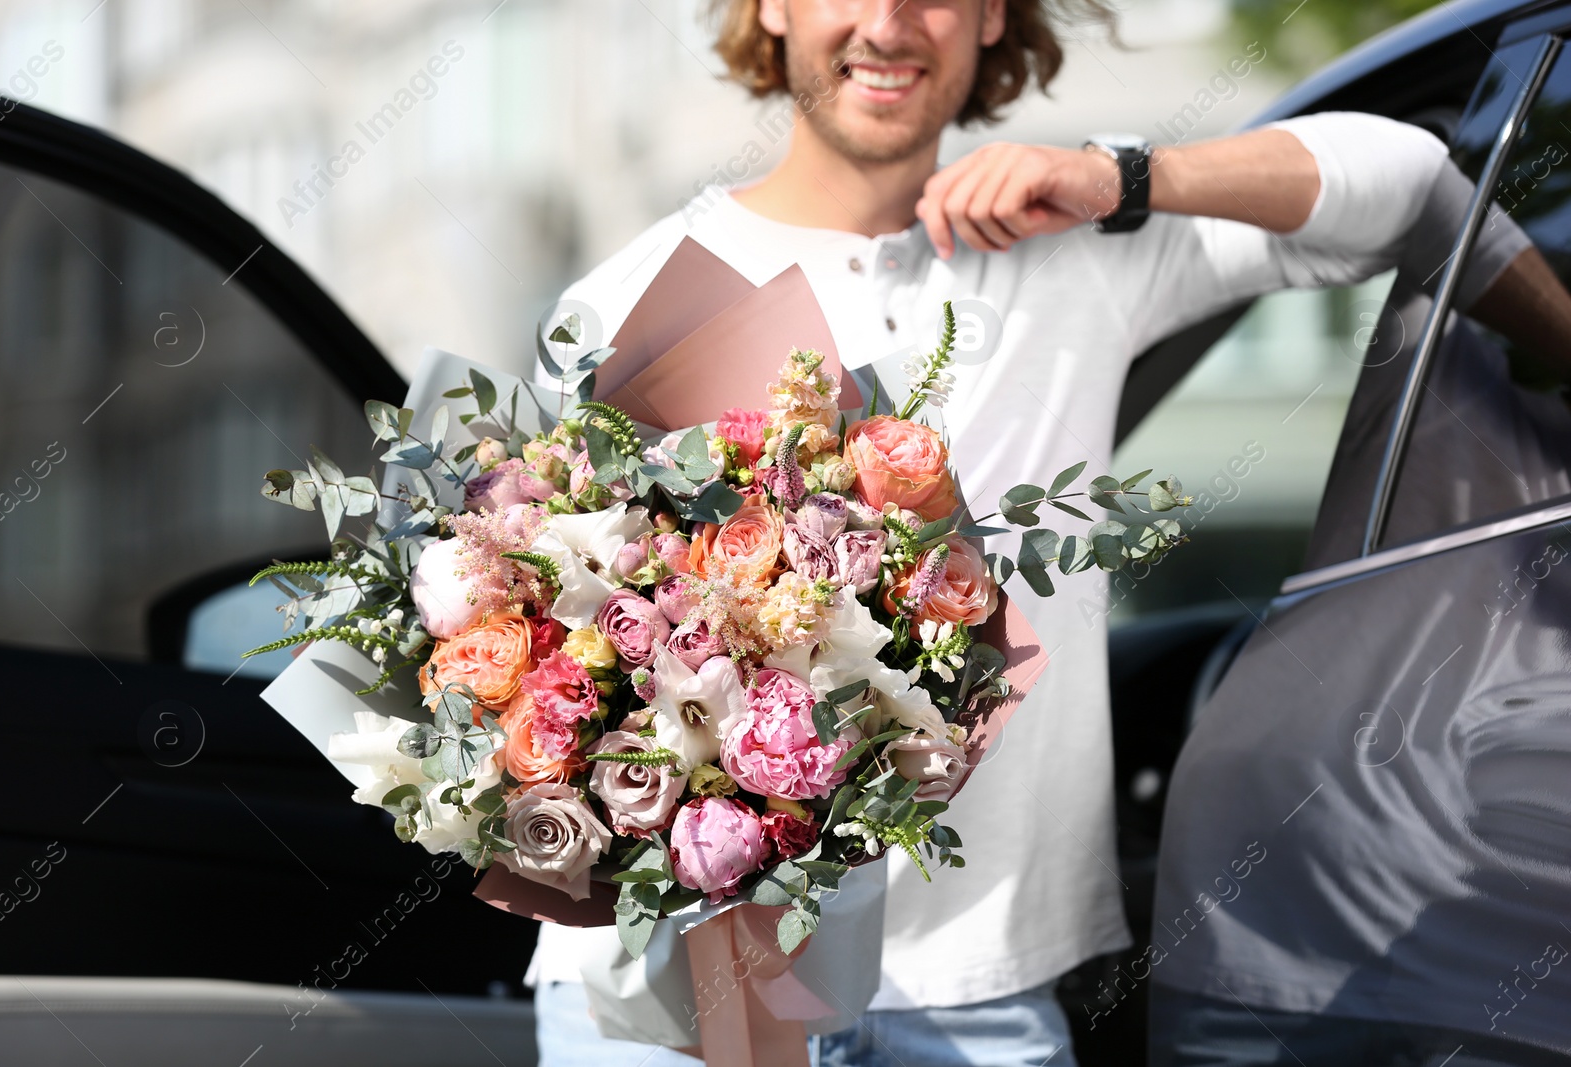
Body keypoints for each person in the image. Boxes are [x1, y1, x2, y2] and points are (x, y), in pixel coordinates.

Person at [528, 0, 1459, 1063]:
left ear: (989, 17)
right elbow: (566, 667)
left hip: (976, 993)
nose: (887, 23)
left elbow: (1409, 179)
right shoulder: (623, 299)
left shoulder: (1068, 255)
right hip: (674, 990)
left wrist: (1121, 178)